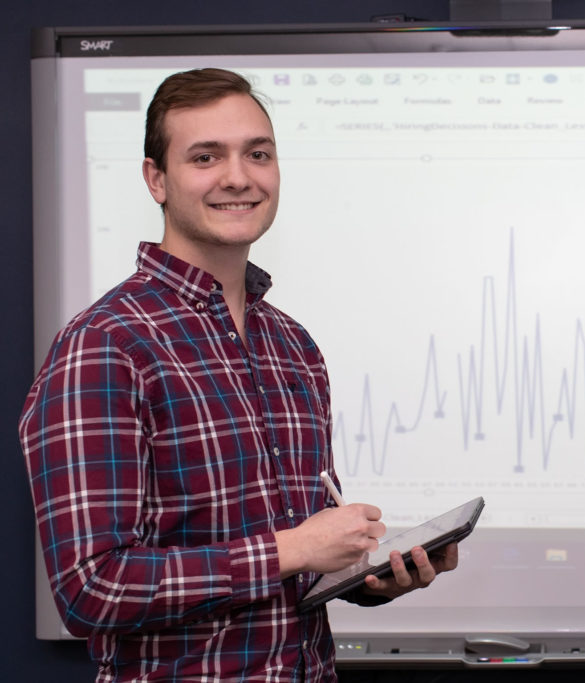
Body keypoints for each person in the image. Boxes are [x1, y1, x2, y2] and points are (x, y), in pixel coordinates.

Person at [19, 67, 458, 682]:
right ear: (156, 180)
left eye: (258, 154)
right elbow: (92, 589)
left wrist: (367, 576)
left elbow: (295, 575)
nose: (238, 177)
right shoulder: (106, 345)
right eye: (206, 156)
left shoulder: (290, 345)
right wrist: (294, 549)